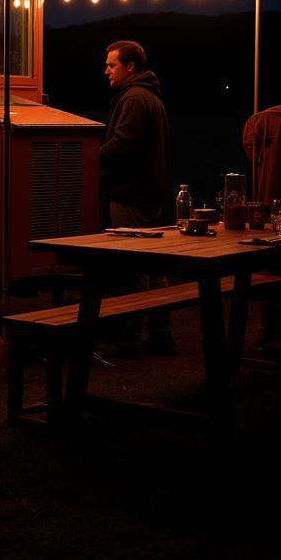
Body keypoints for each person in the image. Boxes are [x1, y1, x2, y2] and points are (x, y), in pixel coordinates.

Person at [100, 39, 174, 354]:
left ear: (130, 67)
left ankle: (130, 337)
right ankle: (161, 332)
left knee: (133, 267)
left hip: (130, 193)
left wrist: (92, 156)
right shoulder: (151, 97)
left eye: (111, 65)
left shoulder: (133, 99)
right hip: (151, 192)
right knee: (154, 267)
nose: (106, 71)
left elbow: (122, 144)